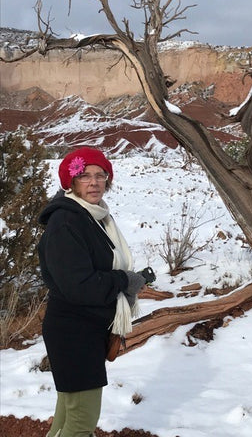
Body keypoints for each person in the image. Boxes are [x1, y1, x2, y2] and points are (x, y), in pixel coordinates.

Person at [38, 146, 147, 437]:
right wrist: (123, 280)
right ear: (71, 182)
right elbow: (79, 286)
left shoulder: (93, 218)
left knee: (66, 417)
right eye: (85, 175)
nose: (95, 182)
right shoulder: (66, 222)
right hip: (73, 332)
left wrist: (122, 281)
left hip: (85, 329)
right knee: (81, 422)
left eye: (101, 175)